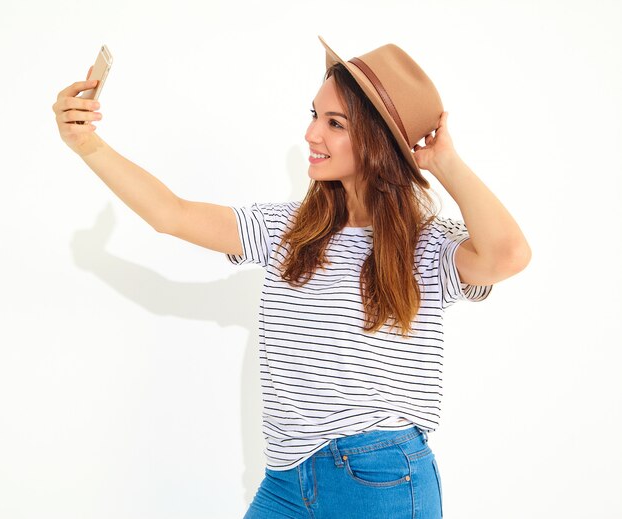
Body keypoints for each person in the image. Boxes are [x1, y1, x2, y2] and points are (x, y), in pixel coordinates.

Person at [53, 36, 531, 519]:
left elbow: (509, 254)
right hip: (286, 479)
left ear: (378, 142)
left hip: (380, 475)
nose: (311, 134)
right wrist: (86, 143)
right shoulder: (287, 229)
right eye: (314, 115)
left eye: (335, 123)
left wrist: (443, 162)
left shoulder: (427, 243)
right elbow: (170, 214)